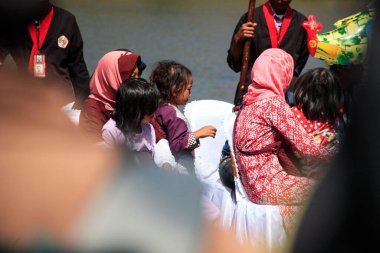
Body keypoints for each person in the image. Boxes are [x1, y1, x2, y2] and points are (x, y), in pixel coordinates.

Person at [233, 48, 333, 235]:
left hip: (252, 189)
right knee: (328, 191)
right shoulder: (273, 104)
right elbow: (309, 149)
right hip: (270, 186)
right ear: (281, 74)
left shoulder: (248, 102)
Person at [0, 0, 90, 107]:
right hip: (27, 101)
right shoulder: (13, 22)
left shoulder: (67, 20)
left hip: (62, 103)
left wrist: (85, 103)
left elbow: (78, 69)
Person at [227, 0, 309, 105]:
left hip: (285, 97)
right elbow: (234, 65)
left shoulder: (302, 24)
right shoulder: (250, 19)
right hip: (251, 92)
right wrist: (237, 40)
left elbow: (297, 68)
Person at [150, 60, 217, 175]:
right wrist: (197, 134)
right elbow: (176, 145)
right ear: (175, 90)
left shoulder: (160, 108)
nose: (190, 94)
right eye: (188, 89)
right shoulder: (173, 116)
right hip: (179, 170)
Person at [102, 77, 176, 170]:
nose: (153, 113)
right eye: (149, 110)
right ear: (133, 110)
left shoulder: (148, 128)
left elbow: (154, 155)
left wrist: (165, 165)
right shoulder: (112, 130)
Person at [284, 68, 343, 179]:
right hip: (319, 177)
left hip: (293, 170)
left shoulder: (291, 113)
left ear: (302, 90)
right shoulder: (332, 121)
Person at [79, 50, 145, 140]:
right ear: (113, 77)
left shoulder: (135, 100)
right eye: (133, 77)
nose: (137, 82)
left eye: (138, 76)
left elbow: (157, 134)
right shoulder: (93, 108)